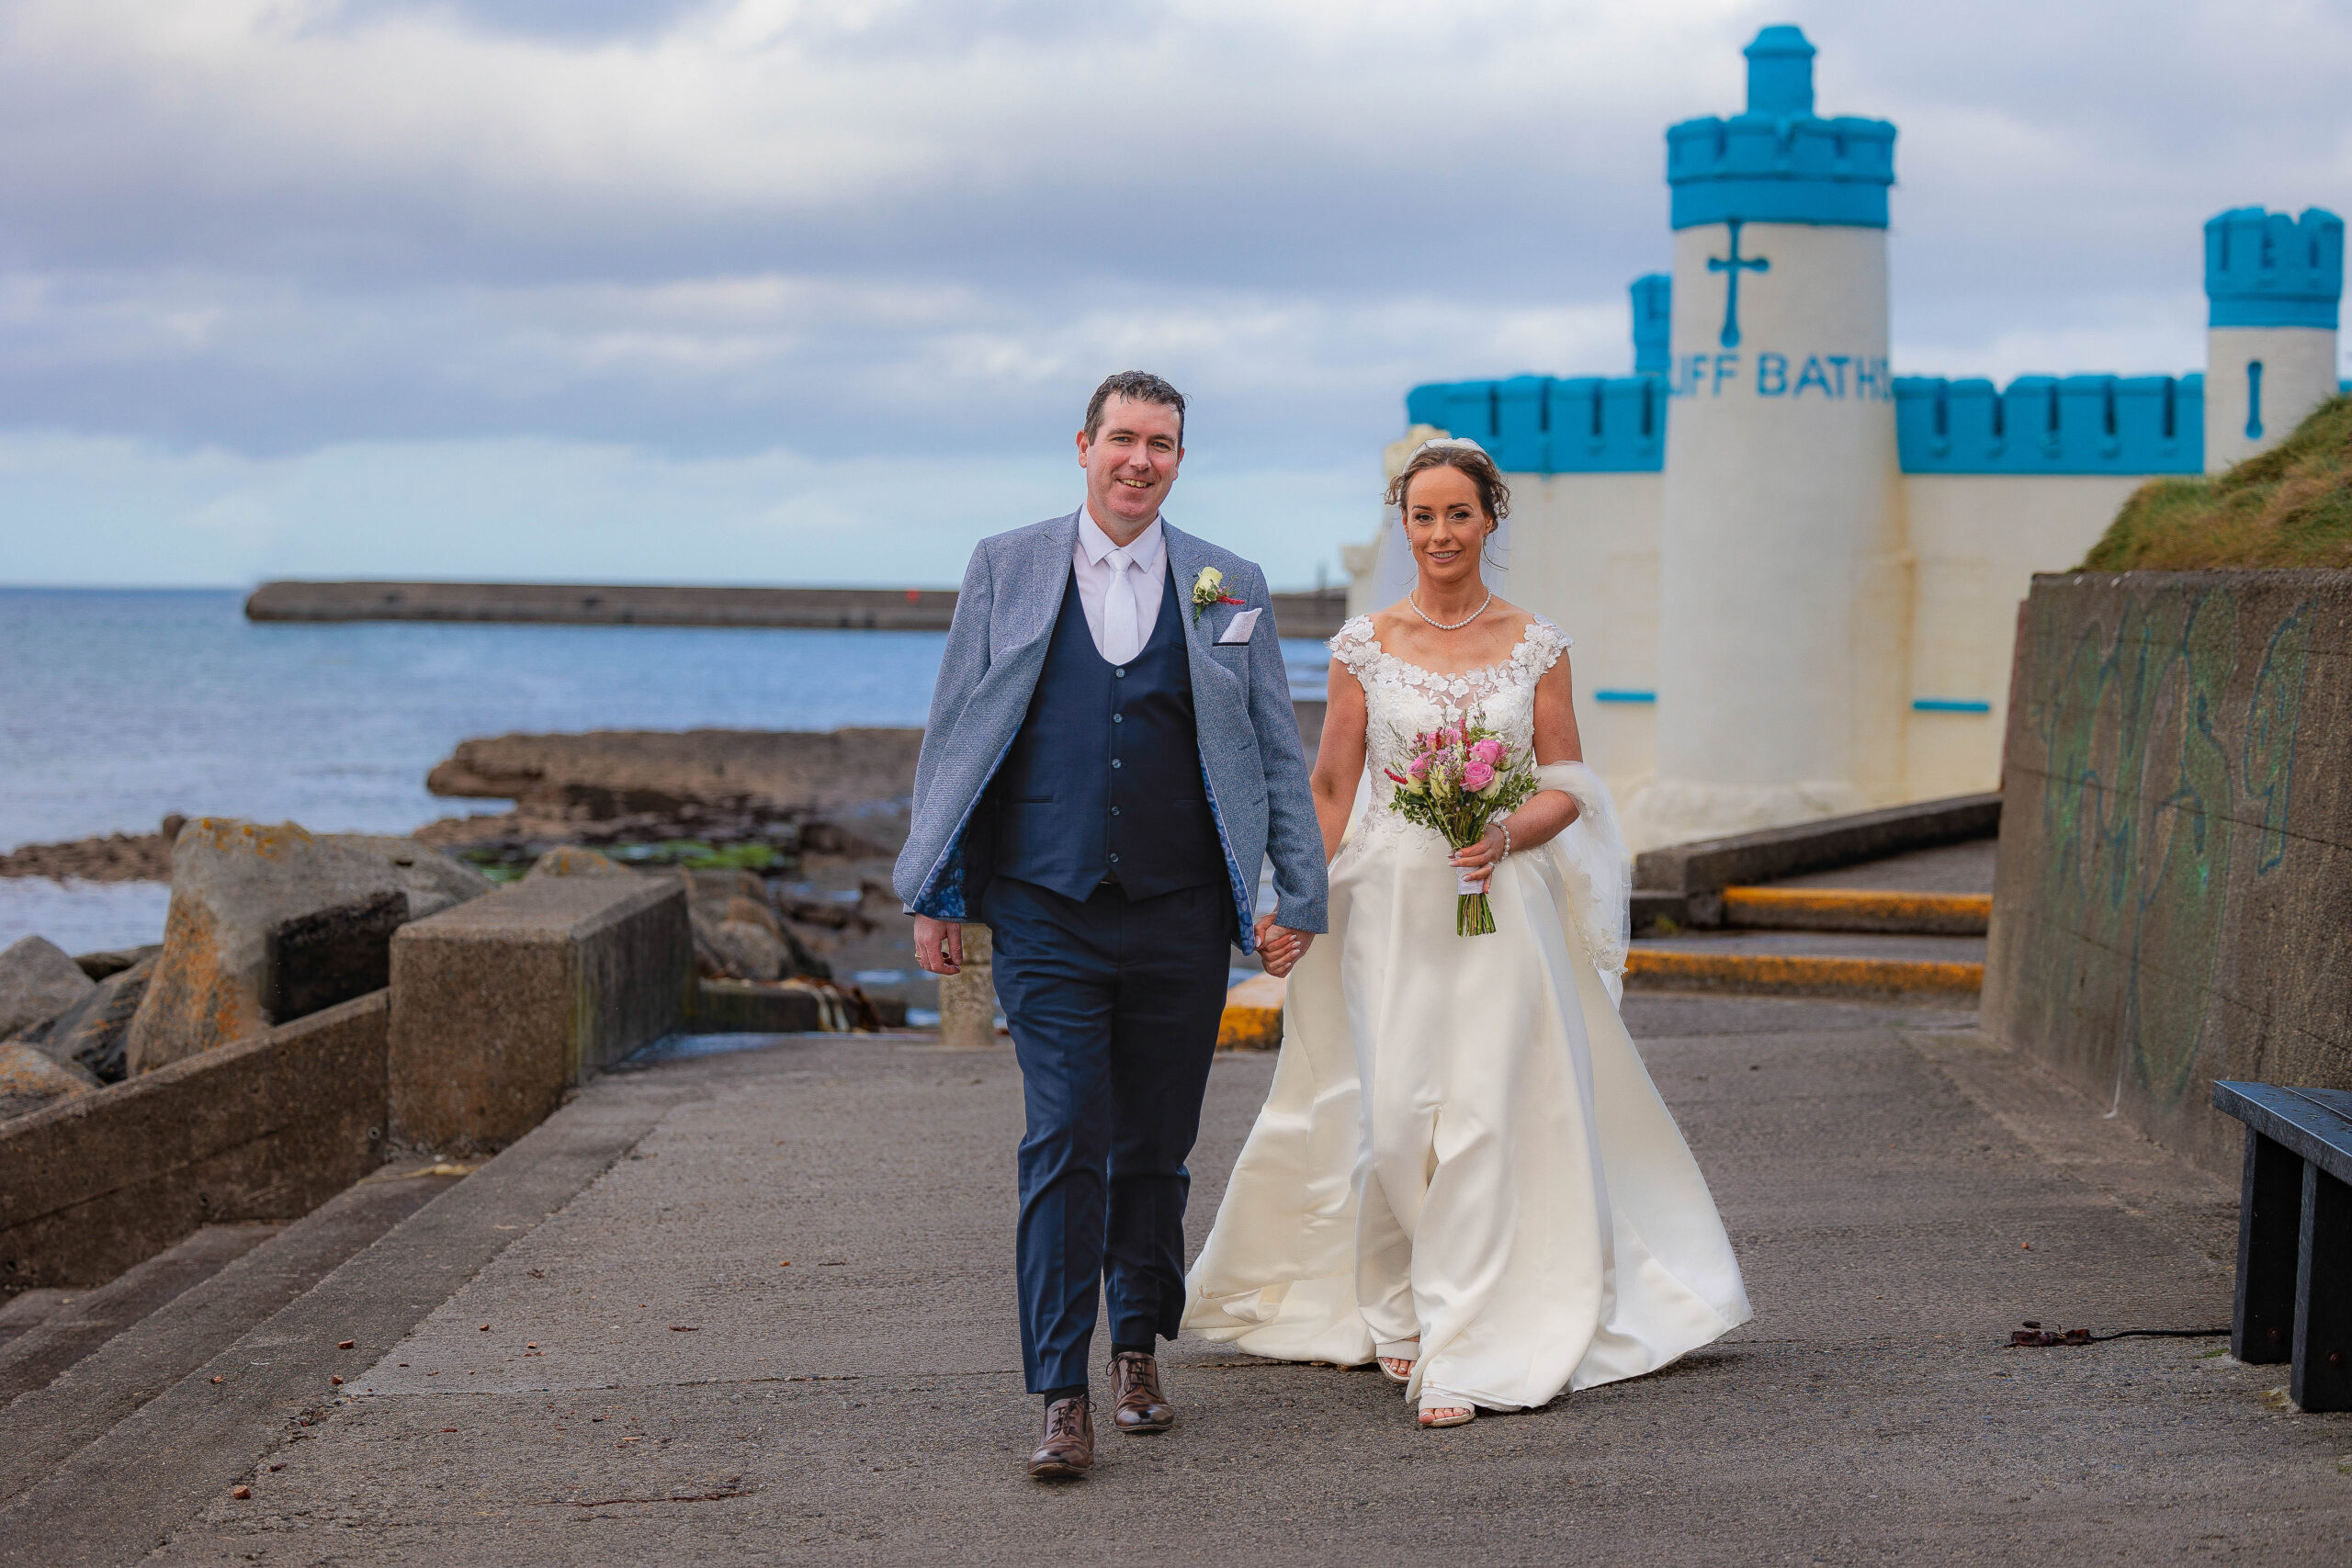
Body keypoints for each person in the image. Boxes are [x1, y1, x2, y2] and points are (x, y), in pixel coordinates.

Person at [1183, 438, 1751, 1428]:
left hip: (1501, 911)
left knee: (1486, 1115)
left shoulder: (1538, 643)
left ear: (1490, 518)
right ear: (1400, 523)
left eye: (1458, 514)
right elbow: (1329, 786)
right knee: (1394, 1119)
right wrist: (1290, 901)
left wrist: (1501, 829)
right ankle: (1391, 1297)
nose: (1439, 534)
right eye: (1421, 516)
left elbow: (1568, 785)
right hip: (1388, 908)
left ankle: (1466, 1344)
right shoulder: (1364, 643)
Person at [893, 371, 1328, 1480]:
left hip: (1181, 912)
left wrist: (1297, 891)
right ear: (1083, 446)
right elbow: (954, 727)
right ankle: (1059, 1392)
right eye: (1123, 439)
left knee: (1155, 1150)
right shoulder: (1008, 563)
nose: (1141, 460)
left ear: (1180, 458)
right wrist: (933, 889)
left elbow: (1275, 745)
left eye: (1163, 444)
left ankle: (1136, 1346)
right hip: (1045, 908)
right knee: (1061, 1140)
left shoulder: (1231, 582)